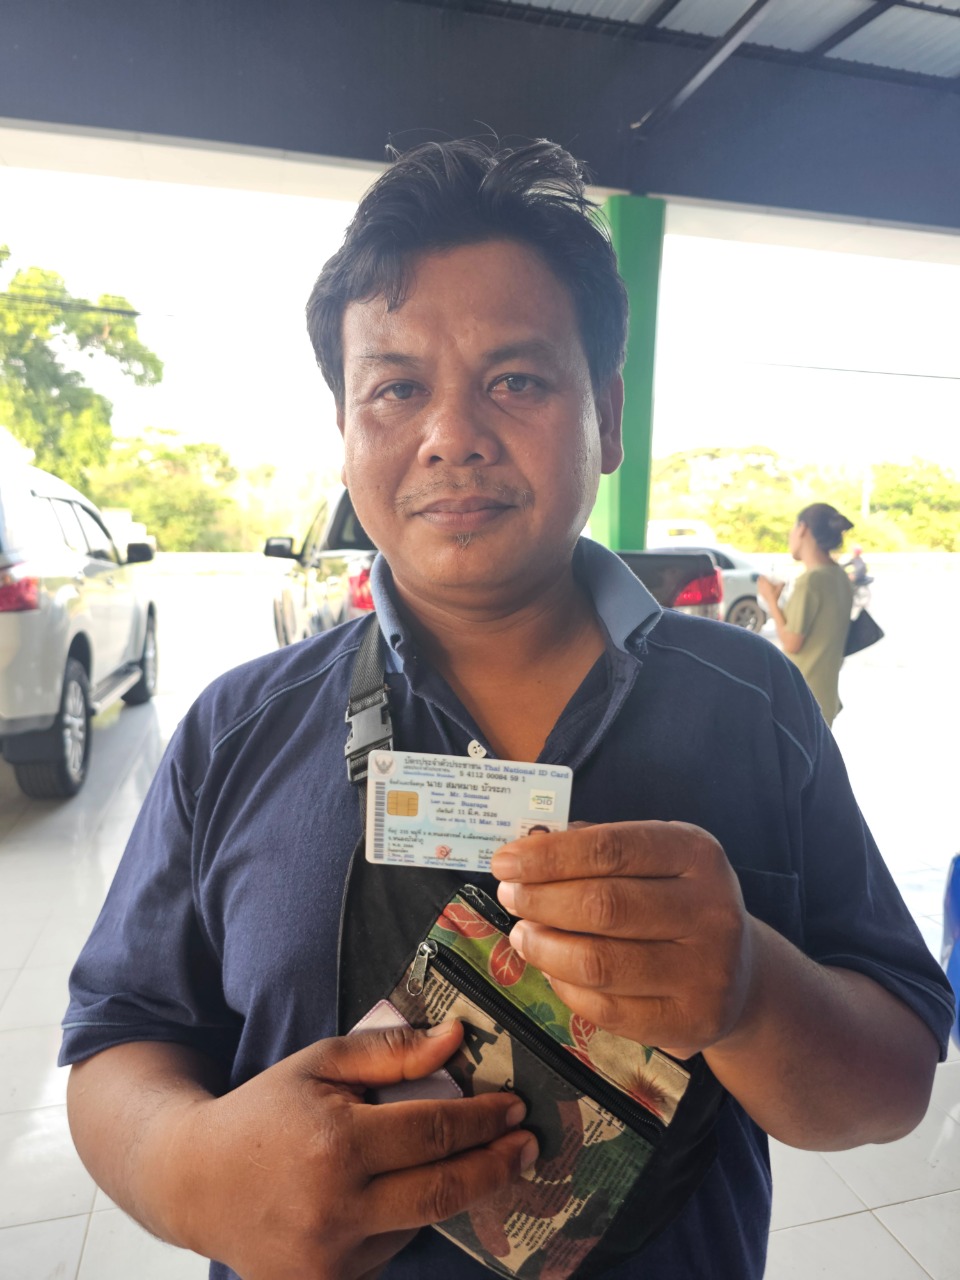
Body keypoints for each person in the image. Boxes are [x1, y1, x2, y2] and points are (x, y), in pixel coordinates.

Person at [60, 141, 953, 1280]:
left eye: (517, 380)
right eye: (397, 388)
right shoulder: (237, 729)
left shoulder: (754, 705)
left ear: (607, 416)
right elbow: (118, 1038)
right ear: (345, 429)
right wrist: (183, 1167)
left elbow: (896, 1078)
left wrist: (752, 991)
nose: (453, 434)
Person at [757, 504, 856, 727]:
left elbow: (792, 642)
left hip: (801, 698)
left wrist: (771, 600)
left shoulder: (811, 581)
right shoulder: (840, 577)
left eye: (793, 528)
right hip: (825, 697)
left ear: (802, 529)